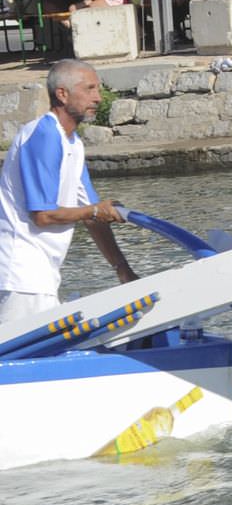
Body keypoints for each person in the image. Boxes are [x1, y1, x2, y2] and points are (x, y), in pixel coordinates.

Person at [0, 61, 137, 322]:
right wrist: (98, 210)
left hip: (41, 275)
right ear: (62, 94)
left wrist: (123, 270)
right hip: (21, 274)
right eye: (89, 89)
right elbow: (42, 215)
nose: (98, 97)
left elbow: (91, 214)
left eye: (98, 89)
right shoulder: (45, 135)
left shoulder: (72, 142)